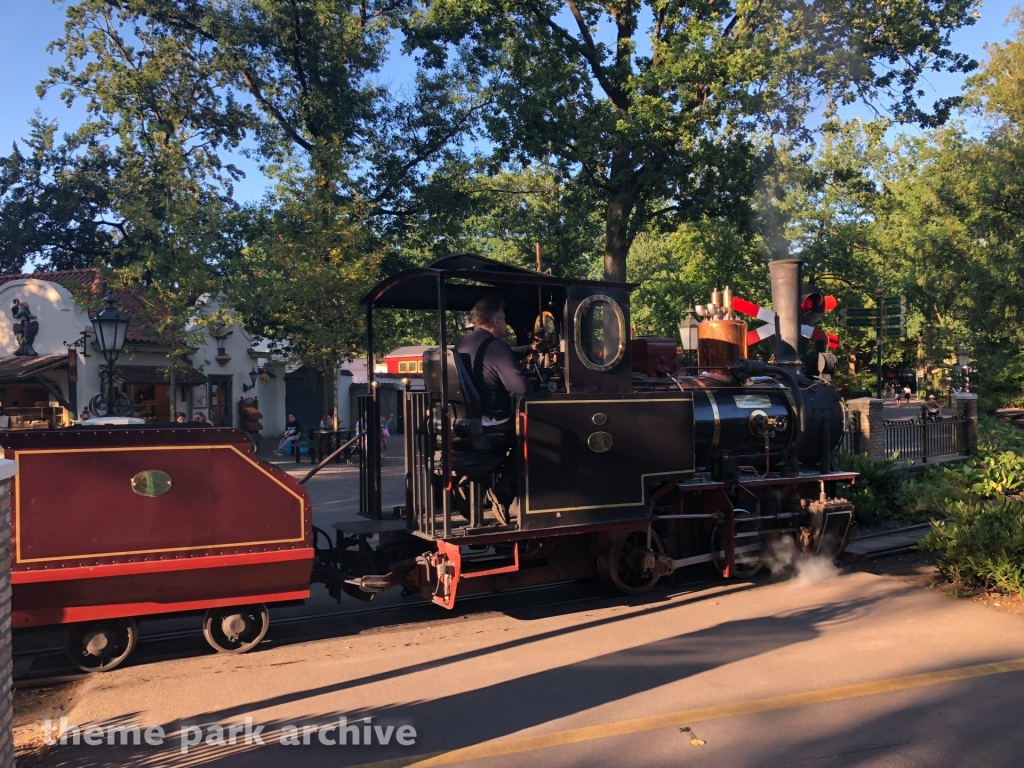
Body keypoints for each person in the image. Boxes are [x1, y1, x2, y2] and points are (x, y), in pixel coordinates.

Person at [453, 297, 535, 524]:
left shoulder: (462, 344)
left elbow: (500, 354)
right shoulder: (497, 348)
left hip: (465, 421)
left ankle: (475, 489)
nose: (506, 324)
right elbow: (521, 390)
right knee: (537, 435)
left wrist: (530, 349)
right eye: (505, 320)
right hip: (492, 421)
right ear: (496, 321)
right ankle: (502, 492)